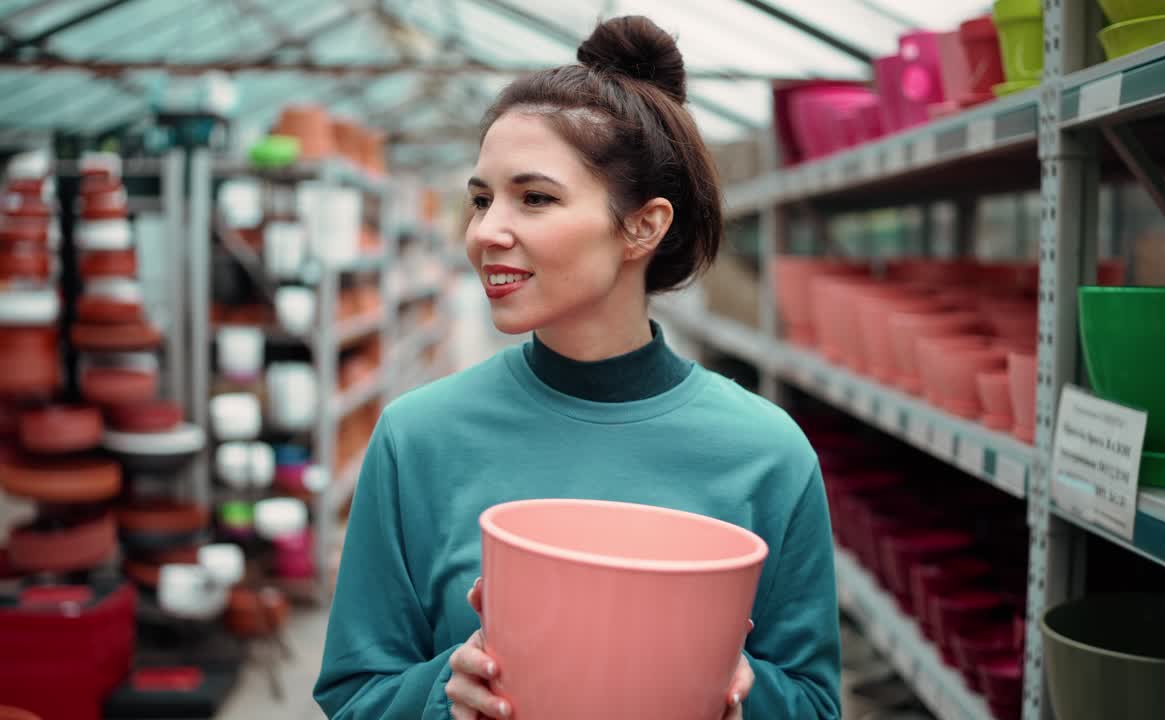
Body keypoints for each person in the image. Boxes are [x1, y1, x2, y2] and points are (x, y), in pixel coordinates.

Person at [313, 15, 840, 720]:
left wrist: (734, 682)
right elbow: (354, 693)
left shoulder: (767, 454)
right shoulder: (417, 438)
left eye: (534, 198)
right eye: (480, 199)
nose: (484, 232)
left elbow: (813, 702)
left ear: (643, 226)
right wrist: (448, 689)